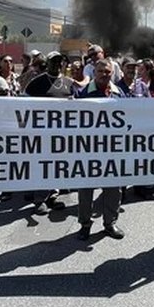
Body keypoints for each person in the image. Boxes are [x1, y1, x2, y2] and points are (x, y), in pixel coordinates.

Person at [75, 59, 125, 240]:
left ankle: (110, 223)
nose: (104, 74)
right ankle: (85, 224)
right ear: (94, 73)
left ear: (112, 73)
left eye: (107, 72)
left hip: (113, 150)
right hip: (88, 149)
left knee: (113, 188)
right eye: (101, 71)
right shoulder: (82, 94)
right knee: (85, 189)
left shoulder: (119, 93)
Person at [24, 52, 77, 214]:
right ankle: (39, 200)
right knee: (42, 165)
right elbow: (23, 104)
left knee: (56, 166)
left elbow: (77, 106)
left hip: (62, 133)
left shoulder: (69, 82)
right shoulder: (36, 83)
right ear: (47, 63)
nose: (57, 64)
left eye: (60, 62)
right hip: (41, 133)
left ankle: (52, 195)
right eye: (53, 61)